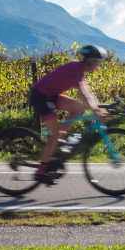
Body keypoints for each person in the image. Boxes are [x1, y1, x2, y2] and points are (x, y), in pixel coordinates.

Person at [29, 44, 109, 183]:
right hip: (40, 96)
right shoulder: (75, 68)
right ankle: (41, 171)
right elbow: (83, 93)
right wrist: (96, 110)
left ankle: (60, 135)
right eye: (98, 62)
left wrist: (98, 107)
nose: (98, 66)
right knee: (54, 136)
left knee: (79, 108)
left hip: (51, 95)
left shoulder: (79, 70)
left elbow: (88, 93)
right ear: (90, 61)